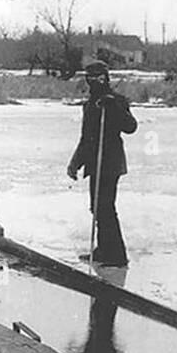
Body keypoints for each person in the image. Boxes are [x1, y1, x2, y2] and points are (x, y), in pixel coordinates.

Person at [67, 60, 137, 267]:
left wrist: (113, 106)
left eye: (98, 77)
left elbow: (131, 127)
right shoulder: (90, 105)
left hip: (111, 161)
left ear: (106, 78)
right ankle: (103, 250)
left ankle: (116, 255)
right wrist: (75, 163)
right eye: (90, 78)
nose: (94, 81)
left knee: (106, 207)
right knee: (97, 207)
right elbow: (86, 137)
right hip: (94, 160)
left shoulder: (116, 100)